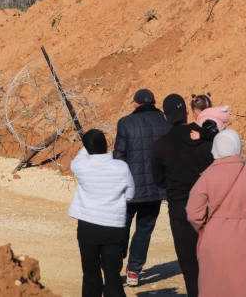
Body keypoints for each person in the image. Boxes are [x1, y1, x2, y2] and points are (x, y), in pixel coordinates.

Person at [186, 130, 246, 297]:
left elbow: (193, 212)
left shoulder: (207, 176)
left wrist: (204, 227)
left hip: (216, 234)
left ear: (215, 148)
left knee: (218, 285)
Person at [152, 94, 215, 297]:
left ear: (165, 116)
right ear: (187, 111)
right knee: (214, 259)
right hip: (209, 204)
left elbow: (159, 180)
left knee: (189, 262)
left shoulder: (162, 145)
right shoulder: (207, 136)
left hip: (180, 208)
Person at [113, 88, 171, 287]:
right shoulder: (166, 123)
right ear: (154, 102)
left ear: (136, 103)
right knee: (144, 231)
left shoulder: (126, 123)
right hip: (156, 188)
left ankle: (114, 268)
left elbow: (119, 157)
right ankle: (133, 272)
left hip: (129, 189)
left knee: (122, 227)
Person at [69, 129, 134, 297]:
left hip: (88, 227)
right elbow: (130, 194)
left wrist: (87, 144)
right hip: (114, 227)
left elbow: (81, 156)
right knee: (112, 274)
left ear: (86, 148)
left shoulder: (80, 166)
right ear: (106, 146)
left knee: (90, 273)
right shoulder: (121, 167)